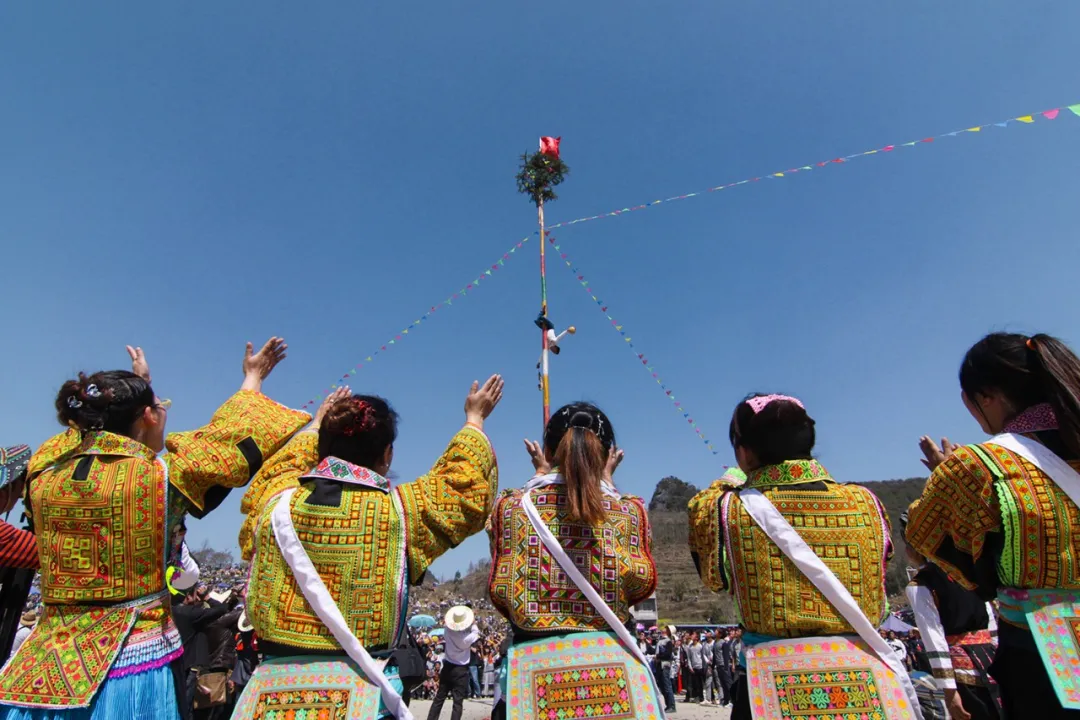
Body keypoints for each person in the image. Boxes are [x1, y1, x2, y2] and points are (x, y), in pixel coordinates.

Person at [0, 339, 307, 720]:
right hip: (130, 663)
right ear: (148, 416)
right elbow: (231, 437)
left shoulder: (44, 474)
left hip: (43, 663)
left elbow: (76, 438)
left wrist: (133, 389)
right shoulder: (160, 479)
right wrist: (253, 377)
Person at [235, 375, 502, 720]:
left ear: (321, 447)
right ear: (387, 455)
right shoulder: (401, 513)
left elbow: (281, 468)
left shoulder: (273, 505)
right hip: (361, 697)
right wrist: (474, 420)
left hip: (270, 697)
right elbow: (464, 486)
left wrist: (316, 425)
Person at [688, 394, 901, 720]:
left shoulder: (728, 510)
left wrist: (730, 480)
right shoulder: (867, 503)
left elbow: (713, 578)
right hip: (862, 682)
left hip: (770, 685)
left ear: (745, 453)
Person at [905, 332, 1080, 719]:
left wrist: (947, 478)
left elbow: (919, 542)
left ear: (987, 397)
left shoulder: (980, 466)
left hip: (1047, 652)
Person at [487, 402, 659, 720]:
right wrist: (607, 484)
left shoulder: (510, 508)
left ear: (550, 450)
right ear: (607, 455)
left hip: (534, 672)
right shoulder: (631, 511)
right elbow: (640, 586)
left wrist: (539, 475)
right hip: (612, 674)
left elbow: (501, 592)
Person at [901, 511, 1000, 720]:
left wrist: (949, 691)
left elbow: (933, 638)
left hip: (963, 674)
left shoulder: (920, 585)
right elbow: (991, 621)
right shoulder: (970, 571)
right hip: (993, 663)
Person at [427, 606, 478, 720]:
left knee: (439, 698)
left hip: (448, 666)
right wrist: (473, 623)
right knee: (457, 702)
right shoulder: (466, 638)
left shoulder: (447, 630)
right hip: (461, 669)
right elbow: (475, 633)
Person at [654, 626, 677, 713]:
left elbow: (668, 654)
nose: (662, 629)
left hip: (665, 664)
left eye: (665, 629)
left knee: (667, 685)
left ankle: (672, 705)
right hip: (659, 664)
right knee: (662, 686)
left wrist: (658, 656)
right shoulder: (660, 640)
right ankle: (668, 705)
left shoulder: (668, 642)